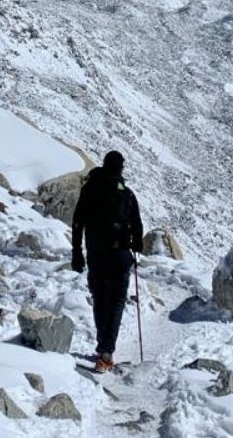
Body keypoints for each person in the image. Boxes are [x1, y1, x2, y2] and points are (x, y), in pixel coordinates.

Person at [71, 150, 143, 373]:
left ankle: (104, 344)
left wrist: (77, 252)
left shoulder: (90, 189)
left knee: (100, 297)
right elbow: (137, 227)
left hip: (96, 253)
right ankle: (106, 350)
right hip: (120, 255)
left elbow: (77, 222)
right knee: (117, 301)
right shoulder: (127, 194)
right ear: (121, 168)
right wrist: (136, 247)